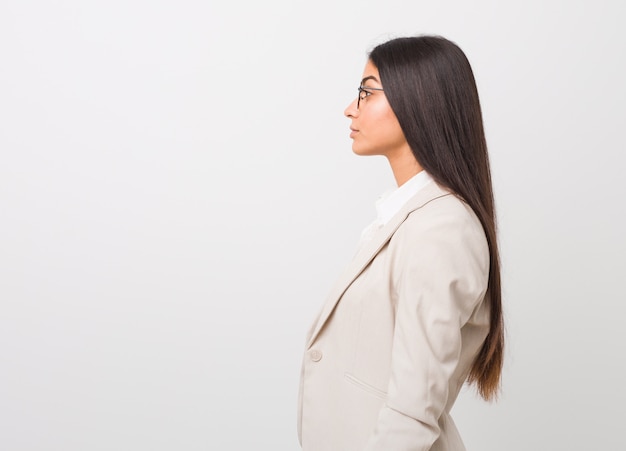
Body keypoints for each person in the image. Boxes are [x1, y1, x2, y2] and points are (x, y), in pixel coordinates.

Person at [297, 35, 504, 451]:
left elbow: (413, 409)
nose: (350, 108)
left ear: (418, 102)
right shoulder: (409, 218)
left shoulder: (443, 229)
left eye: (366, 92)